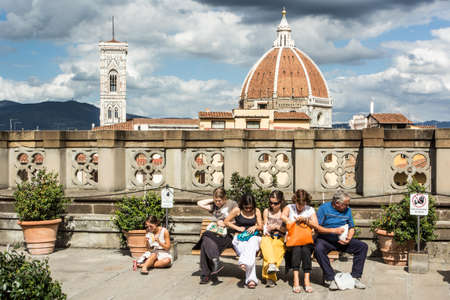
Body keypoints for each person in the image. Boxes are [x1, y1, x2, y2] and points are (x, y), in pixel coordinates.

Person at [314, 190, 368, 290]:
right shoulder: (323, 209)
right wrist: (333, 231)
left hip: (342, 240)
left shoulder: (348, 210)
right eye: (345, 204)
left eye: (348, 204)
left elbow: (352, 227)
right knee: (318, 249)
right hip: (326, 239)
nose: (347, 206)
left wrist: (349, 238)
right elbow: (317, 228)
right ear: (337, 203)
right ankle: (330, 278)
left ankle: (355, 277)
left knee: (362, 246)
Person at [193, 187, 238, 284]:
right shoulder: (214, 206)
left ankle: (205, 275)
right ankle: (215, 261)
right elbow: (199, 203)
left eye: (219, 200)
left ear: (225, 198)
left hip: (228, 234)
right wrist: (212, 199)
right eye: (216, 200)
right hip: (216, 234)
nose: (217, 203)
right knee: (206, 241)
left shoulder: (232, 204)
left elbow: (237, 220)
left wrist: (225, 223)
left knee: (205, 238)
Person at [224, 194, 263, 289]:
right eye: (246, 207)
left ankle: (242, 261)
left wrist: (255, 226)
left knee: (252, 242)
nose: (248, 209)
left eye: (250, 207)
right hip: (240, 238)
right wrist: (237, 227)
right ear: (242, 205)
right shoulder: (237, 210)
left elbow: (261, 226)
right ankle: (251, 280)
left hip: (253, 237)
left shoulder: (256, 210)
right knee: (250, 251)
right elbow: (226, 221)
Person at [260, 190, 286, 287]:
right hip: (267, 235)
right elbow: (265, 225)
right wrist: (266, 229)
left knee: (275, 249)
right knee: (266, 245)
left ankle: (268, 278)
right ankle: (271, 266)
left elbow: (286, 228)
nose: (272, 205)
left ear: (281, 202)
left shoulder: (284, 211)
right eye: (271, 202)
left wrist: (275, 227)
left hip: (280, 236)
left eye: (275, 203)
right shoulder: (266, 211)